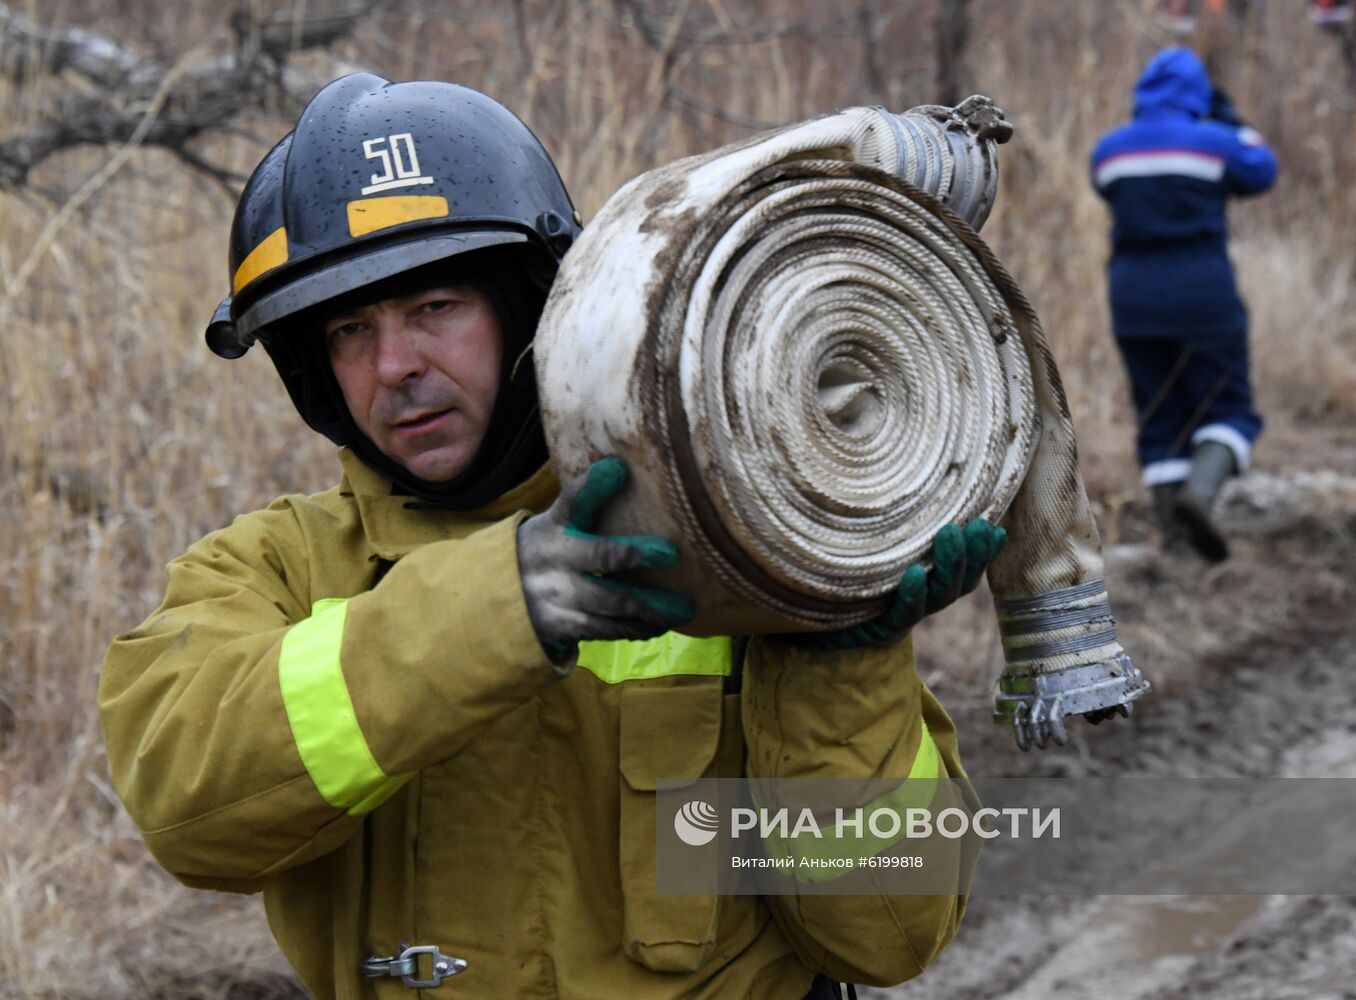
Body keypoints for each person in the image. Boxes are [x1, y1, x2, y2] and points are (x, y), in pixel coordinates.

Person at [99, 74, 1005, 999]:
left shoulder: (732, 533)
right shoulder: (274, 571)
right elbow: (188, 811)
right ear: (313, 372)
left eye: (435, 308)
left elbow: (887, 936)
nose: (396, 366)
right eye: (349, 329)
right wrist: (505, 601)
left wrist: (839, 671)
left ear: (533, 305)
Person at [1091, 48, 1277, 561]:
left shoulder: (1109, 152)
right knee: (1228, 407)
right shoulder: (1216, 144)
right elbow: (1262, 171)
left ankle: (1175, 544)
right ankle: (1201, 494)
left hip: (1131, 299)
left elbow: (1106, 191)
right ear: (1198, 94)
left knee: (1160, 415)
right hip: (1203, 295)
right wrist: (1234, 124)